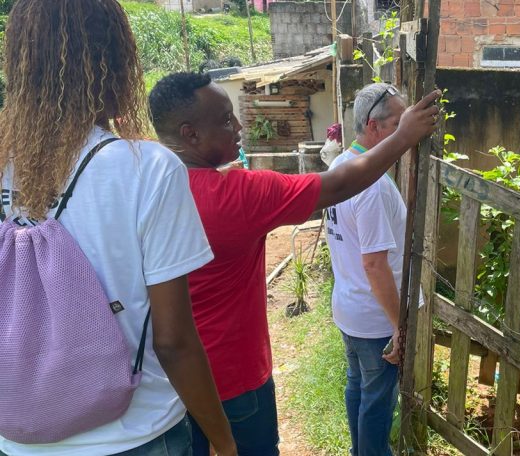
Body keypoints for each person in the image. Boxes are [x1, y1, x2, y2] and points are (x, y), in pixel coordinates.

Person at [148, 72, 440, 456]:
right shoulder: (238, 194)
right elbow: (338, 186)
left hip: (169, 386)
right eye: (225, 120)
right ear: (191, 134)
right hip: (236, 382)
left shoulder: (145, 189)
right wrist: (404, 137)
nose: (239, 127)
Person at [0, 1, 236, 456]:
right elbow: (174, 341)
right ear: (115, 62)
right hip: (136, 433)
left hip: (19, 434)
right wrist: (223, 441)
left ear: (21, 64)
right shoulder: (147, 168)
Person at [323, 83, 413, 456]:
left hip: (350, 307)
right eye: (399, 124)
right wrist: (398, 326)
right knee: (377, 403)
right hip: (376, 320)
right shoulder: (372, 185)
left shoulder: (342, 165)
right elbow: (374, 264)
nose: (408, 132)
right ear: (373, 127)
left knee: (358, 387)